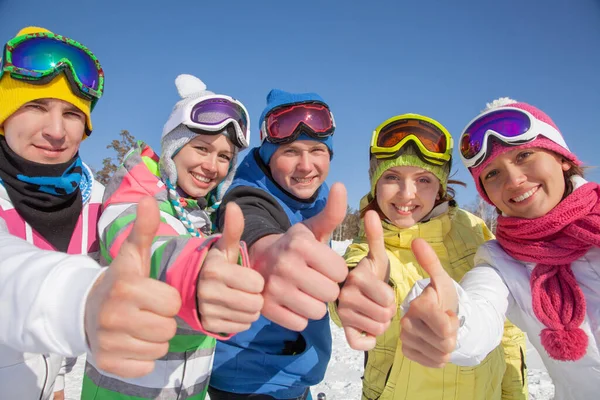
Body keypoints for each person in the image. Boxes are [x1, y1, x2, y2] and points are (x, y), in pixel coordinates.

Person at [0, 26, 182, 400]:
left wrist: (59, 383)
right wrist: (80, 300)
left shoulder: (96, 203)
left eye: (71, 113)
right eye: (35, 107)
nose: (56, 130)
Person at [400, 98, 600, 399]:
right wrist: (449, 317)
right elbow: (480, 315)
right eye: (492, 174)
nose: (515, 180)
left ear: (561, 157)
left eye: (525, 156)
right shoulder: (502, 261)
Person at [81, 73, 265, 399]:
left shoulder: (203, 214)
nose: (212, 165)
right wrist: (195, 273)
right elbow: (143, 247)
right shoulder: (134, 193)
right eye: (201, 148)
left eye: (224, 157)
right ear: (173, 148)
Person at [332, 113, 528, 399]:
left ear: (441, 186)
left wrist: (514, 394)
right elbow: (353, 284)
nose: (407, 194)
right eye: (392, 177)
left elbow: (507, 328)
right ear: (375, 182)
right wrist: (351, 297)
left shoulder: (475, 230)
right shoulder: (370, 246)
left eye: (423, 179)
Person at [208, 89, 349, 400]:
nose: (305, 165)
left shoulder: (320, 197)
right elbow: (251, 224)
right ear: (268, 156)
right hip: (248, 382)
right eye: (290, 152)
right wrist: (264, 252)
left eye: (317, 150)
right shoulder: (248, 193)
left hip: (296, 378)